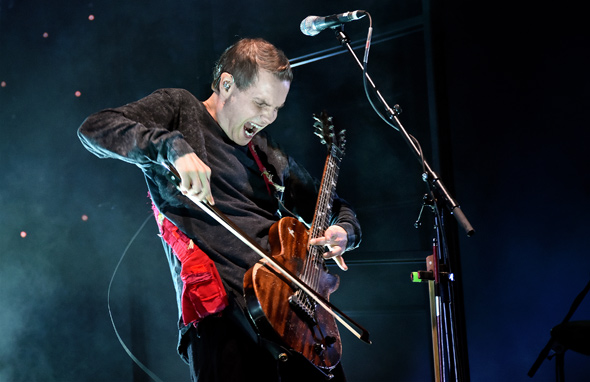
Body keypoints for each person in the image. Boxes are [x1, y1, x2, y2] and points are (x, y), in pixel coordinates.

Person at [78, 37, 361, 382]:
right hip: (225, 319)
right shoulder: (182, 110)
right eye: (260, 103)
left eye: (276, 108)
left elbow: (333, 207)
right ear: (227, 84)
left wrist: (343, 230)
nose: (268, 118)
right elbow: (95, 128)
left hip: (294, 316)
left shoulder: (266, 151)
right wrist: (172, 147)